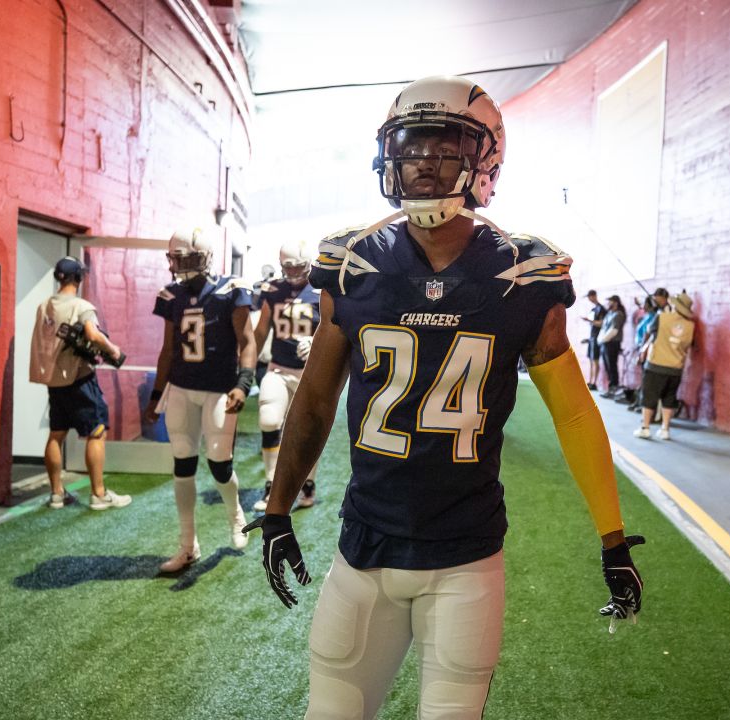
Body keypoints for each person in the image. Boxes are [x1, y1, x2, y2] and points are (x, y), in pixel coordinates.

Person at [243, 75, 645, 719]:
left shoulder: (522, 274)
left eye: (444, 144)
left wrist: (614, 537)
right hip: (363, 549)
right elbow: (315, 401)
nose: (424, 160)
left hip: (466, 558)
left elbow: (571, 411)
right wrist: (277, 508)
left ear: (485, 159)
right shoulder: (353, 265)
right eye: (411, 144)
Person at [143, 228, 258, 572]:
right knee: (182, 467)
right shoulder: (170, 295)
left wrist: (243, 383)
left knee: (220, 465)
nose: (177, 266)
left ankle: (236, 515)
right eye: (175, 258)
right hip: (180, 388)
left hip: (218, 390)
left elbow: (247, 341)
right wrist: (155, 395)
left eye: (184, 259)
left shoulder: (230, 290)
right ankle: (187, 545)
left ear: (203, 257)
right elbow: (167, 350)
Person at [28, 257, 132, 510]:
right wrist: (113, 350)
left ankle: (56, 494)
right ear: (78, 278)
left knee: (56, 434)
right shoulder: (81, 305)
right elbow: (93, 334)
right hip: (79, 379)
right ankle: (99, 494)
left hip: (54, 381)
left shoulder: (44, 306)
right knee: (96, 432)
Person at [251, 240, 321, 512]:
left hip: (309, 373)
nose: (292, 274)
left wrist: (316, 343)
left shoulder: (321, 289)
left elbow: (334, 327)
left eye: (298, 267)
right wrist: (245, 368)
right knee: (269, 420)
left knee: (305, 432)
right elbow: (260, 331)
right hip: (278, 367)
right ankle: (271, 484)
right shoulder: (273, 290)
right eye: (287, 268)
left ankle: (307, 484)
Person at [635, 291, 697, 441]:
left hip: (656, 364)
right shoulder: (690, 326)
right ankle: (665, 429)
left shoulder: (662, 317)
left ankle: (645, 428)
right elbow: (689, 344)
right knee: (669, 398)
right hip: (676, 368)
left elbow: (650, 331)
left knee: (649, 397)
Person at [597, 295, 626, 399]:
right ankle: (610, 388)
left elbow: (613, 331)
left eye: (610, 302)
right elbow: (604, 328)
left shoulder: (618, 314)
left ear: (615, 302)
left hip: (612, 344)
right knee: (608, 367)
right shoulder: (609, 313)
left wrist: (602, 339)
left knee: (612, 367)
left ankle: (614, 389)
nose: (608, 304)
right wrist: (600, 339)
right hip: (605, 343)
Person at [580, 289, 605, 390]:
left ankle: (594, 382)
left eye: (590, 297)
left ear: (593, 296)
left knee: (595, 360)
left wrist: (589, 320)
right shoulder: (594, 309)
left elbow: (601, 323)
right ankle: (590, 381)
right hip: (592, 337)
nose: (589, 299)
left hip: (597, 337)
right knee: (591, 359)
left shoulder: (601, 309)